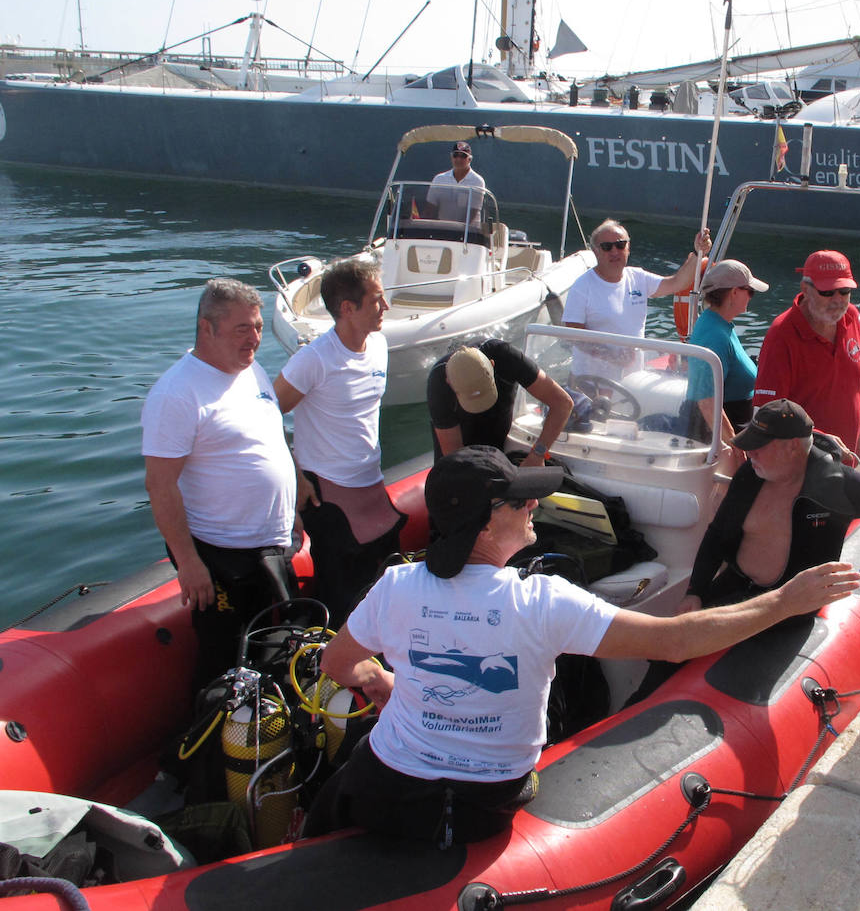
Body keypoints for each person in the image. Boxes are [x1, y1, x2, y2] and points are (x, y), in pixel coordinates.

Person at [303, 446, 859, 845]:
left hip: (387, 786)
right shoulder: (542, 601)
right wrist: (784, 602)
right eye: (520, 503)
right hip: (485, 803)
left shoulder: (398, 586)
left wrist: (380, 681)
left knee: (331, 795)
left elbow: (336, 662)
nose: (534, 508)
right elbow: (676, 642)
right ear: (484, 525)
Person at [142, 279, 297, 690]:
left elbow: (272, 441)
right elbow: (160, 485)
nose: (255, 339)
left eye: (259, 326)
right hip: (220, 556)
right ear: (206, 328)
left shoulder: (253, 371)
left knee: (271, 652)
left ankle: (261, 739)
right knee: (224, 662)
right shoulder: (177, 393)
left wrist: (293, 507)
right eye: (242, 329)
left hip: (269, 545)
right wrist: (190, 563)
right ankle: (208, 747)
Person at [686, 400, 860, 610]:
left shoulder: (840, 485)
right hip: (734, 589)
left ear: (792, 448)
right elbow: (716, 535)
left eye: (758, 446)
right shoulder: (750, 475)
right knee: (667, 660)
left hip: (790, 606)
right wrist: (695, 591)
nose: (750, 453)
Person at [274, 257, 405, 623]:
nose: (386, 307)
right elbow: (265, 418)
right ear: (347, 309)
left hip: (371, 486)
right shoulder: (313, 360)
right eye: (377, 299)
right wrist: (295, 477)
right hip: (327, 492)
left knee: (382, 581)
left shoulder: (379, 346)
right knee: (341, 596)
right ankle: (328, 670)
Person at [752, 249, 860, 460]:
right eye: (827, 292)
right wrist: (821, 439)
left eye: (844, 291)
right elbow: (769, 414)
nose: (837, 299)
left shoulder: (851, 316)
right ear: (805, 288)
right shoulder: (782, 334)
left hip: (846, 462)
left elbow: (856, 385)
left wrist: (858, 440)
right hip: (802, 467)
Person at [563, 219, 711, 379]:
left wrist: (698, 253)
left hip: (631, 380)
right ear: (595, 251)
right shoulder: (582, 286)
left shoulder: (638, 277)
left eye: (620, 245)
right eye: (607, 247)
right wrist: (611, 356)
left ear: (628, 248)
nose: (614, 251)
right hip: (591, 382)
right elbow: (573, 334)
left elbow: (676, 283)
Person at [426, 338, 573, 465]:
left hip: (498, 445)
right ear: (449, 382)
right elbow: (455, 457)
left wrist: (537, 455)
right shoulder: (438, 383)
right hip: (461, 451)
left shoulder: (505, 356)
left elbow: (563, 403)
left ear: (492, 364)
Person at [685, 259, 766, 447]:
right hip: (716, 442)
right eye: (750, 291)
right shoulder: (715, 335)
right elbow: (706, 402)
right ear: (735, 292)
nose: (751, 297)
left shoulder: (717, 324)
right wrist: (736, 447)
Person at [426, 140, 487, 223]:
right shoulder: (439, 179)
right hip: (442, 229)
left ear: (469, 159)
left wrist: (460, 231)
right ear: (451, 157)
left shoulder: (477, 181)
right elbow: (431, 209)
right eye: (455, 155)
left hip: (470, 232)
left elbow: (473, 213)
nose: (458, 159)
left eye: (463, 156)